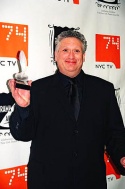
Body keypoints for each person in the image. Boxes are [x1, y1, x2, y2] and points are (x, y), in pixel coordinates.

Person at [8, 30, 125, 189]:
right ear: (55, 55)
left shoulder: (104, 89)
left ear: (83, 56)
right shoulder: (37, 89)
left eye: (77, 51)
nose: (71, 56)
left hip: (91, 181)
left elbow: (115, 133)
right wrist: (23, 108)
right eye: (65, 50)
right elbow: (22, 133)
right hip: (47, 182)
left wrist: (122, 155)